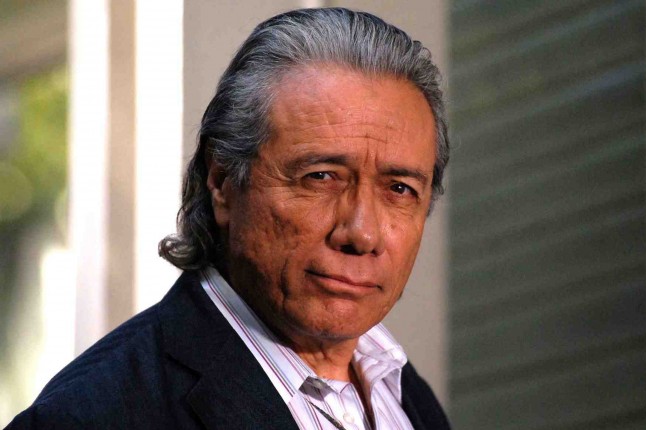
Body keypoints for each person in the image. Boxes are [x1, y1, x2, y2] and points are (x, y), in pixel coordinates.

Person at [8, 7, 450, 429]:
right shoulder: (91, 416)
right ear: (222, 181)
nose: (362, 233)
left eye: (399, 189)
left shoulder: (404, 394)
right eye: (320, 177)